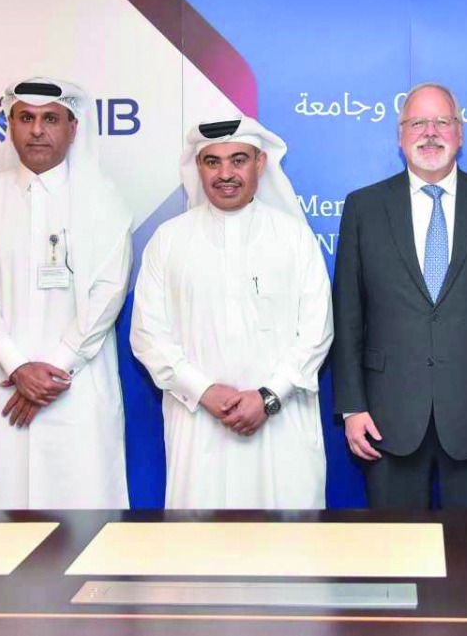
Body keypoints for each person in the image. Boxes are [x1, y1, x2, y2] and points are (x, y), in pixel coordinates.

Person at [331, 82, 467, 509]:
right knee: (393, 558)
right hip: (387, 422)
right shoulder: (363, 208)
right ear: (400, 135)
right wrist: (352, 408)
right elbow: (348, 317)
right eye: (417, 122)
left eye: (442, 121)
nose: (430, 132)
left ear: (460, 133)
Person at [131, 117, 333, 509]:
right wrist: (203, 390)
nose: (226, 174)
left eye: (238, 160)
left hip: (281, 428)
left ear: (259, 164)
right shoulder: (168, 241)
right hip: (199, 426)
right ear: (198, 167)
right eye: (212, 162)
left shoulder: (294, 238)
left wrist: (269, 396)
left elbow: (317, 332)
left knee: (290, 552)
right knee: (204, 556)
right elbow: (147, 335)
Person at [0, 77, 132, 509]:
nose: (37, 130)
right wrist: (17, 366)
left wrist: (53, 371)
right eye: (26, 118)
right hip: (2, 384)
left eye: (50, 119)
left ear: (72, 128)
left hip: (77, 385)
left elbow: (109, 292)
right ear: (9, 125)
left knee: (84, 523)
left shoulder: (103, 199)